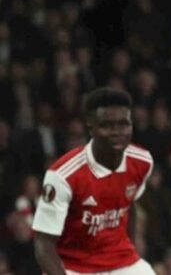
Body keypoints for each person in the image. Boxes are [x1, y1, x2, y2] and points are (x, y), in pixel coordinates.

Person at [32, 87, 155, 274]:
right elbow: (43, 243)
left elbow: (130, 205)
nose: (117, 132)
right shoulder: (62, 175)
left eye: (123, 124)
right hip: (73, 267)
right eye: (107, 126)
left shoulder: (142, 162)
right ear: (91, 128)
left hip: (122, 261)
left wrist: (133, 250)